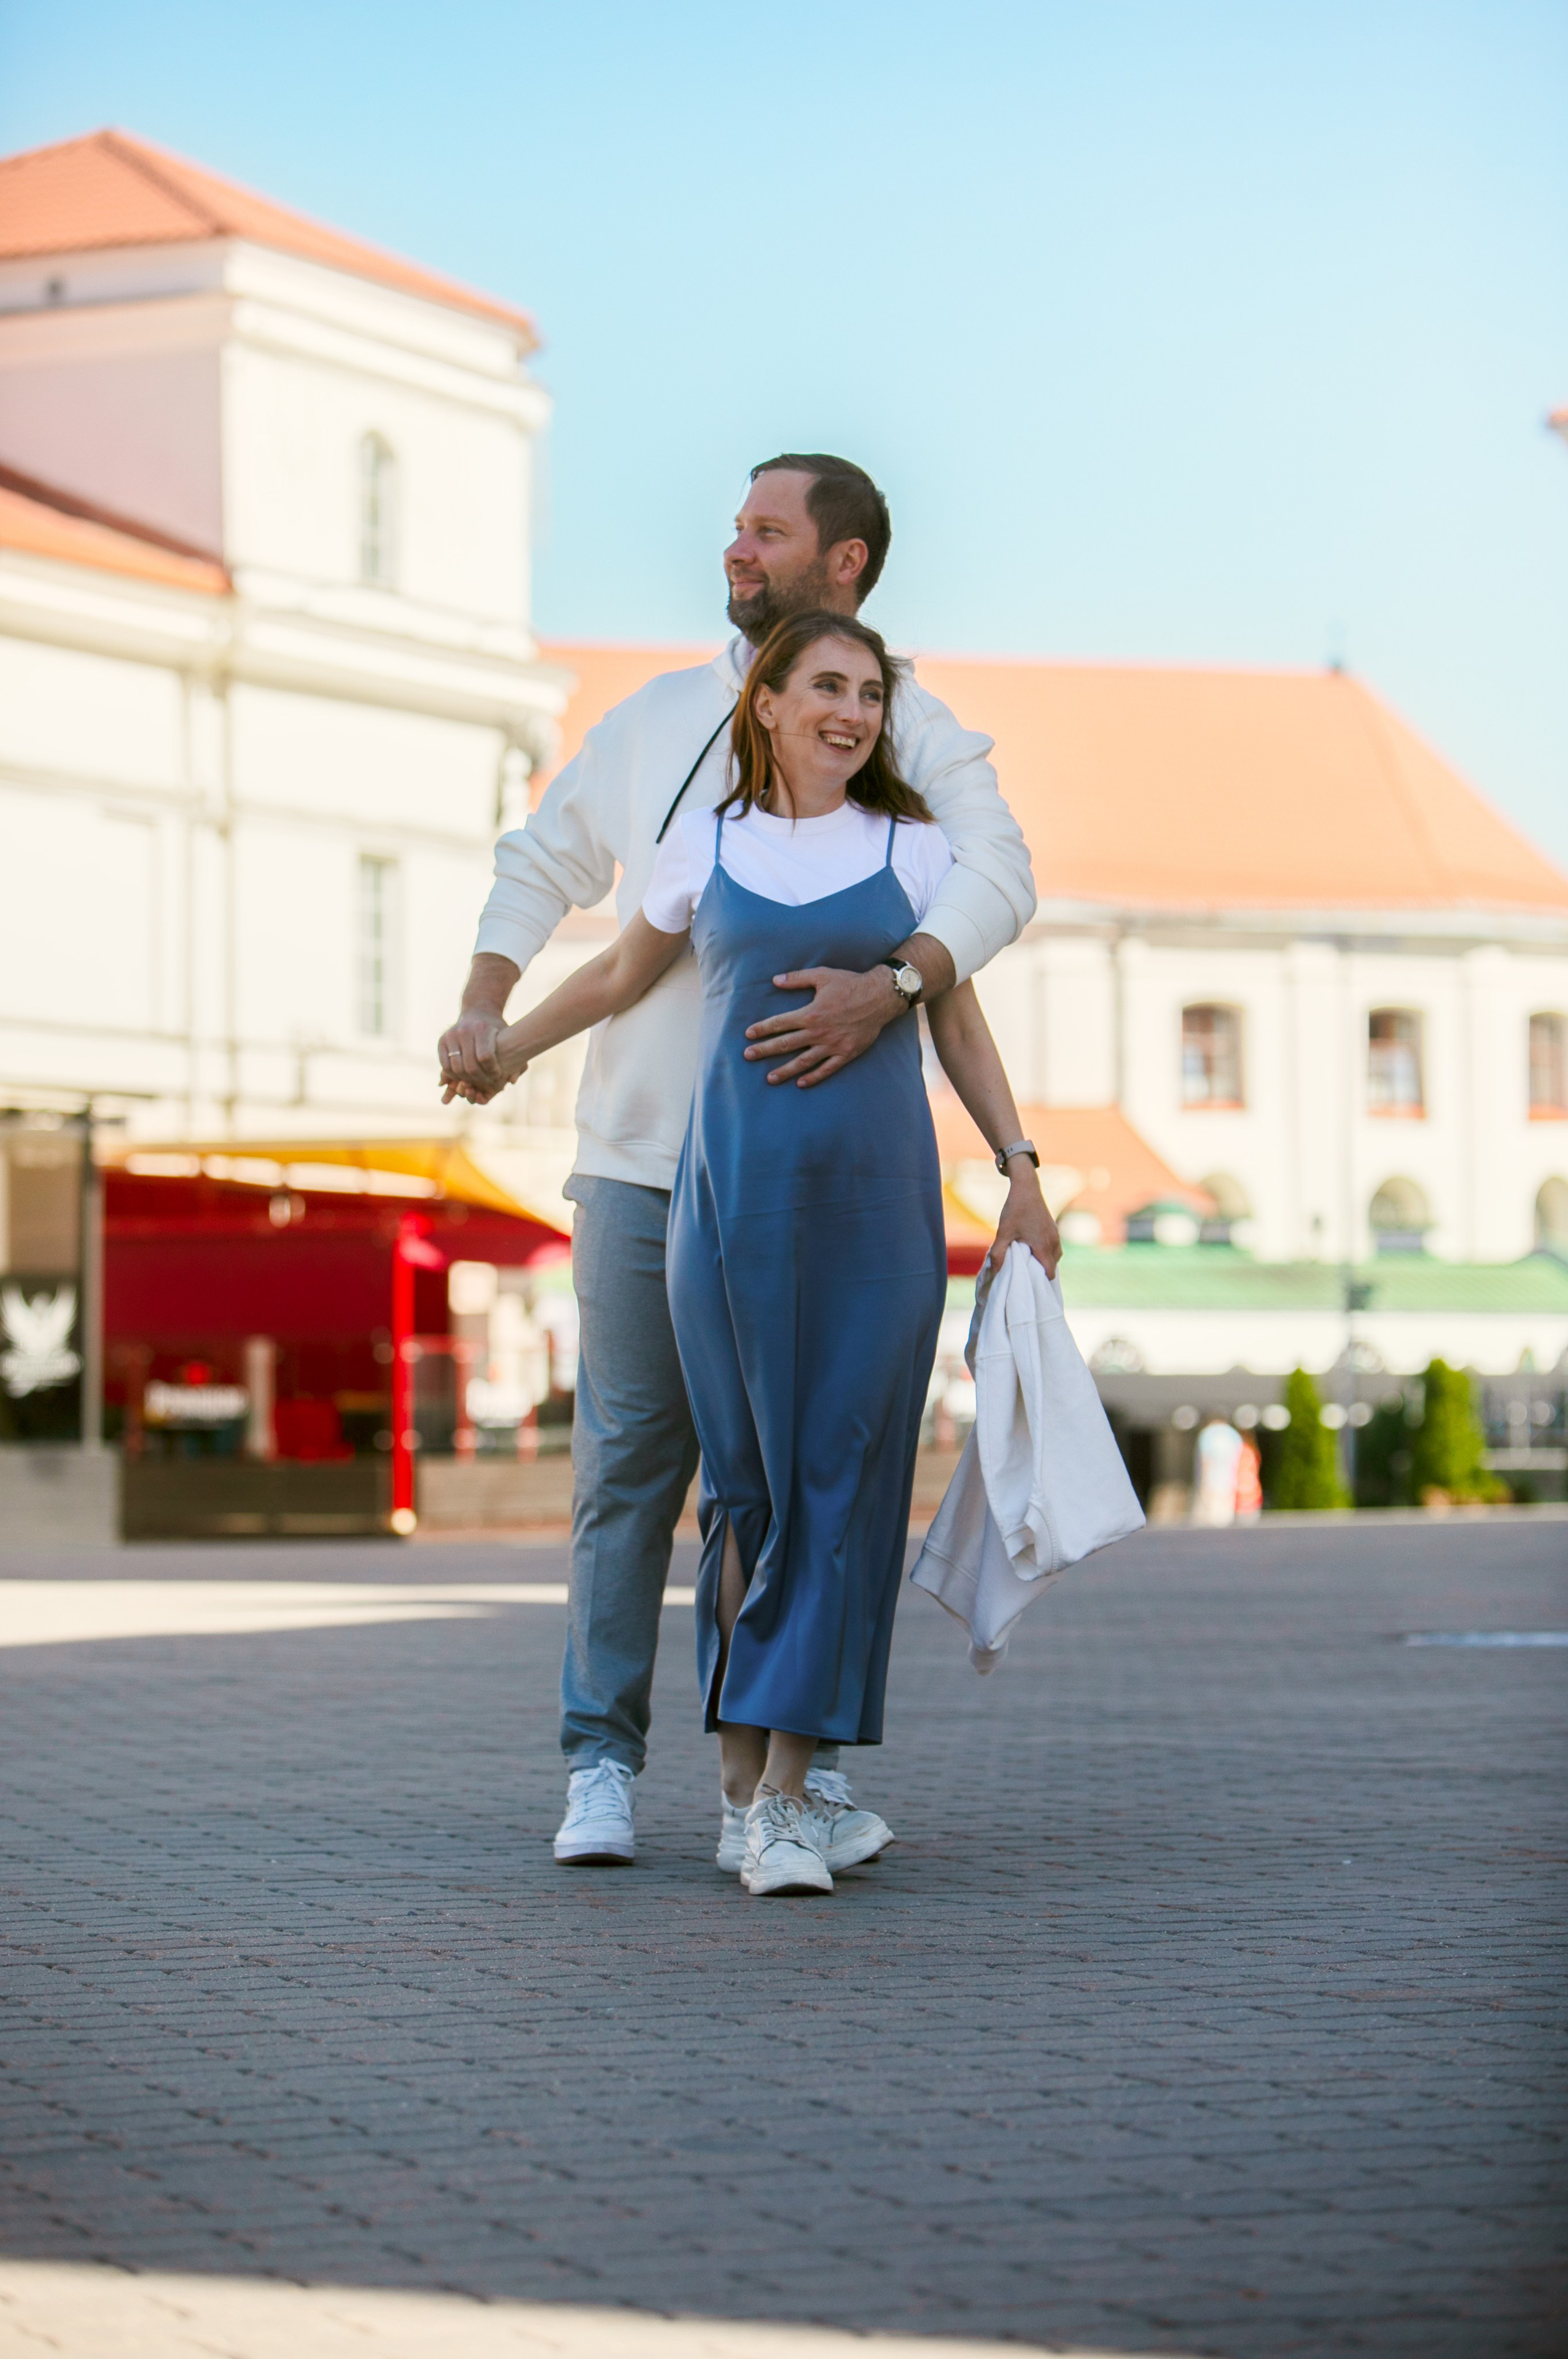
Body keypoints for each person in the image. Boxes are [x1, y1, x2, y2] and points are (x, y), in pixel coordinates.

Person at [439, 454, 1037, 1870]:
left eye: (767, 528)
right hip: (648, 1168)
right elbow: (545, 877)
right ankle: (600, 1760)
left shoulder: (914, 748)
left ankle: (773, 1784)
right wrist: (489, 1011)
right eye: (735, 521)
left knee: (794, 1474)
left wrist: (892, 993)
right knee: (631, 1473)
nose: (734, 542)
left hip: (828, 1188)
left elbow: (996, 885)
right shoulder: (657, 729)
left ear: (841, 565)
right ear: (770, 700)